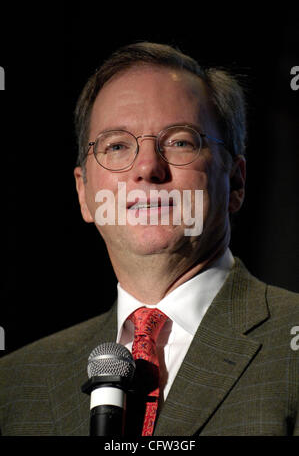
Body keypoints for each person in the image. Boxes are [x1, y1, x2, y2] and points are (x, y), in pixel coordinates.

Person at [0, 42, 298, 436]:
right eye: (117, 146)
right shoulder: (14, 384)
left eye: (179, 141)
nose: (147, 168)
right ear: (84, 194)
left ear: (237, 181)